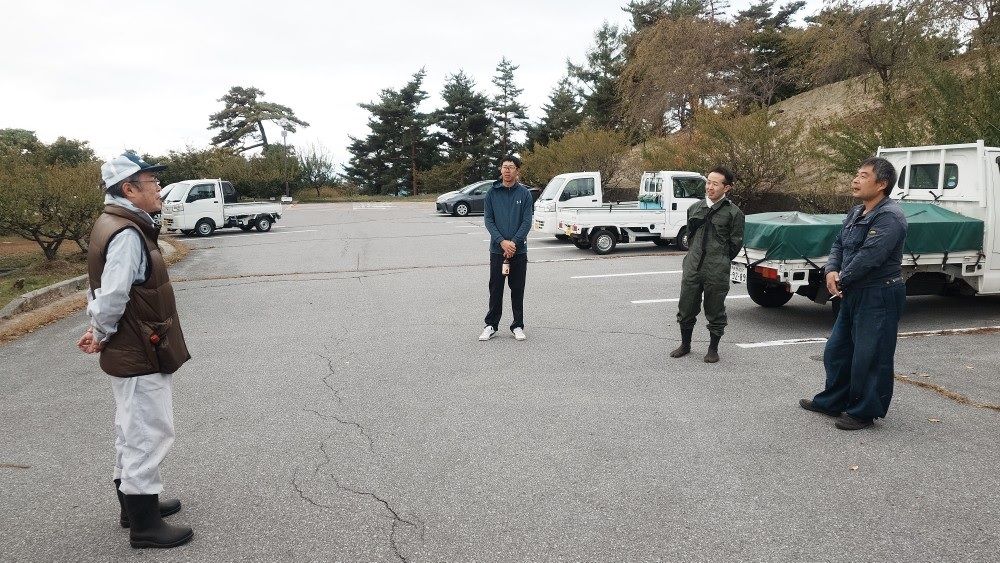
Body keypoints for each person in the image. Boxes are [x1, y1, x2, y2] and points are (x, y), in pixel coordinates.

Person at [76, 152, 194, 548]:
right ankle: (145, 525)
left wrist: (97, 329)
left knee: (131, 426)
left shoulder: (113, 223)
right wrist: (100, 330)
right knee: (147, 430)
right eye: (152, 182)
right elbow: (112, 295)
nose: (159, 188)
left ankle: (134, 505)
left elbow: (99, 287)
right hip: (140, 347)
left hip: (133, 344)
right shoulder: (127, 232)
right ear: (128, 189)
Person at [800, 157, 907, 431]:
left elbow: (870, 256)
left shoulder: (889, 217)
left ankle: (864, 411)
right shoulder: (856, 212)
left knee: (871, 356)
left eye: (863, 176)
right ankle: (833, 401)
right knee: (837, 350)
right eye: (856, 174)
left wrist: (841, 279)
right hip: (853, 291)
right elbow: (839, 244)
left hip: (879, 293)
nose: (855, 180)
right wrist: (831, 270)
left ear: (882, 184)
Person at [670, 166, 745, 363]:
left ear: (726, 188)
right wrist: (694, 257)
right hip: (693, 266)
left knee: (715, 309)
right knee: (686, 306)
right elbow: (691, 237)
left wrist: (720, 259)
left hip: (716, 269)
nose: (710, 187)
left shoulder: (734, 213)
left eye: (715, 184)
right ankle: (685, 344)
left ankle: (713, 349)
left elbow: (735, 243)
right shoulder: (694, 209)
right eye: (708, 182)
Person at [480, 155, 534, 342]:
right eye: (504, 167)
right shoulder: (492, 193)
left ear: (517, 171)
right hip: (497, 250)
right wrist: (502, 242)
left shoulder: (525, 194)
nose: (507, 170)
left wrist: (514, 243)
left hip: (518, 251)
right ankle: (490, 325)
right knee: (496, 288)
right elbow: (489, 220)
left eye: (511, 167)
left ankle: (517, 325)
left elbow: (527, 222)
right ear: (500, 169)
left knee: (517, 288)